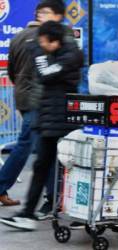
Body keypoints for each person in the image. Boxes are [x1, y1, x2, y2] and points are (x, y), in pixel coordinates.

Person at [0, 20, 83, 231]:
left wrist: (38, 52)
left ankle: (73, 211)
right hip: (48, 119)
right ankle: (28, 214)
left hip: (64, 121)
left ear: (55, 41)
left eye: (44, 41)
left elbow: (45, 74)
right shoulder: (49, 53)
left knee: (69, 168)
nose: (40, 44)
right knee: (41, 167)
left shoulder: (70, 56)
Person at [0, 0, 66, 207]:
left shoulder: (18, 37)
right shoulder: (45, 39)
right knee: (30, 145)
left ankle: (52, 197)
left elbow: (11, 70)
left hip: (22, 96)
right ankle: (49, 197)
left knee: (40, 145)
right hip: (39, 99)